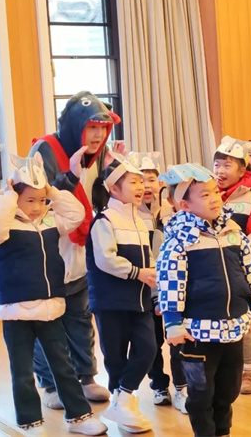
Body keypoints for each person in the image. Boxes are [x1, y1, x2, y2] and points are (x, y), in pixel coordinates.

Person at [0, 154, 106, 435]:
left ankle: (79, 417)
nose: (37, 207)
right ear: (15, 197)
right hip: (16, 312)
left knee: (63, 365)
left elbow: (76, 214)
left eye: (41, 200)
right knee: (22, 371)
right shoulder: (4, 226)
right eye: (29, 200)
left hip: (50, 308)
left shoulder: (50, 221)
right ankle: (30, 422)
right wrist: (8, 196)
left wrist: (52, 192)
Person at [156, 163, 251, 437]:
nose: (215, 199)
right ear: (185, 205)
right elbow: (170, 282)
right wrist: (172, 323)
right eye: (205, 195)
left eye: (215, 192)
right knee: (201, 393)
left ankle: (223, 431)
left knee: (229, 389)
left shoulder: (233, 232)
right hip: (197, 332)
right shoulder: (179, 241)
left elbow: (250, 269)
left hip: (233, 329)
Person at [29, 91, 121, 409]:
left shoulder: (100, 154)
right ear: (74, 126)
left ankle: (86, 377)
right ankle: (50, 383)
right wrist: (68, 178)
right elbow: (37, 199)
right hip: (48, 249)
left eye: (102, 128)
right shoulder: (44, 149)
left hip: (80, 249)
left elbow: (100, 196)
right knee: (46, 320)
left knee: (80, 317)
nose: (97, 135)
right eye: (91, 127)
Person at [86, 154, 157, 433]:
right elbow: (106, 259)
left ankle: (124, 399)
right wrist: (138, 273)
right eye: (133, 182)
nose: (141, 187)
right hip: (111, 302)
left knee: (148, 348)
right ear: (114, 189)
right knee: (115, 356)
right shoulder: (104, 220)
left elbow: (149, 261)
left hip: (140, 301)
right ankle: (123, 404)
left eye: (142, 181)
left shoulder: (140, 220)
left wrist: (154, 284)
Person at [127, 152, 188, 414]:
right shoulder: (128, 216)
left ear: (160, 183)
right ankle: (159, 385)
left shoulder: (173, 212)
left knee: (178, 339)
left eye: (151, 179)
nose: (146, 186)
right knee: (151, 343)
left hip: (174, 289)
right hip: (145, 291)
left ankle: (182, 388)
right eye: (139, 180)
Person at [213, 135, 251, 394]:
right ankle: (219, 370)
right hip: (211, 271)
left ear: (242, 170)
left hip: (238, 273)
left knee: (242, 323)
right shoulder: (207, 193)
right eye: (217, 164)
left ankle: (249, 372)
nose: (220, 170)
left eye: (227, 165)